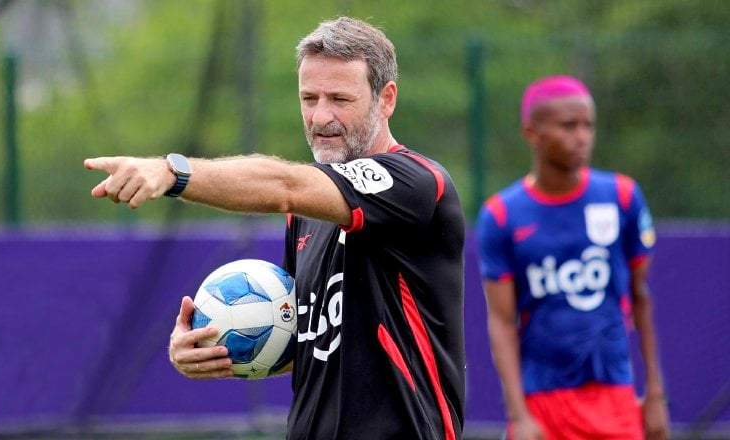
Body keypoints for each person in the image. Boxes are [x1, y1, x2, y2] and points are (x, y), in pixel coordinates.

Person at [85, 17, 466, 440]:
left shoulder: (416, 183)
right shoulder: (306, 214)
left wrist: (170, 172)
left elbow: (284, 185)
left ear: (386, 98)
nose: (321, 116)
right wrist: (214, 347)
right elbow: (306, 343)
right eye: (309, 97)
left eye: (340, 98)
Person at [476, 75, 670, 440]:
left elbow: (640, 295)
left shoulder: (622, 197)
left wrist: (656, 394)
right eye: (568, 126)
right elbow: (502, 323)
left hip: (615, 397)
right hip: (543, 402)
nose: (581, 136)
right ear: (532, 132)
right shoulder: (501, 215)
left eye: (588, 125)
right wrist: (518, 416)